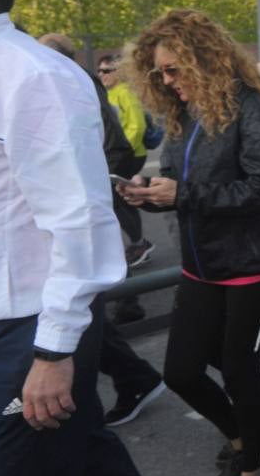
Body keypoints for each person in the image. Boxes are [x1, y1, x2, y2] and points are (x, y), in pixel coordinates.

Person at [0, 0, 158, 476]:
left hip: (27, 331)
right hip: (9, 324)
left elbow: (81, 220)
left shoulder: (32, 77)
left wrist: (53, 351)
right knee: (92, 474)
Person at [122, 8, 260, 476]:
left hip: (255, 264)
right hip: (203, 266)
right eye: (158, 73)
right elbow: (179, 186)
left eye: (174, 69)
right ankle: (244, 437)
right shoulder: (181, 115)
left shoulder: (250, 108)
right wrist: (147, 191)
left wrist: (184, 194)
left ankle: (253, 470)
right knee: (180, 371)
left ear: (202, 60)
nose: (167, 80)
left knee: (240, 369)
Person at [36, 34, 169, 429]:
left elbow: (105, 137)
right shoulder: (66, 84)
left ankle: (125, 378)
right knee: (77, 308)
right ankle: (132, 376)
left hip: (82, 195)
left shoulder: (72, 85)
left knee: (76, 305)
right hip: (77, 194)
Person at [97, 51, 157, 269]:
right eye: (99, 70)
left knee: (120, 199)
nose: (102, 74)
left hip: (130, 154)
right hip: (118, 154)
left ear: (118, 72)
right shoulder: (108, 93)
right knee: (120, 199)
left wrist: (121, 149)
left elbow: (137, 125)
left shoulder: (124, 93)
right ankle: (138, 243)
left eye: (107, 70)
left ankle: (140, 244)